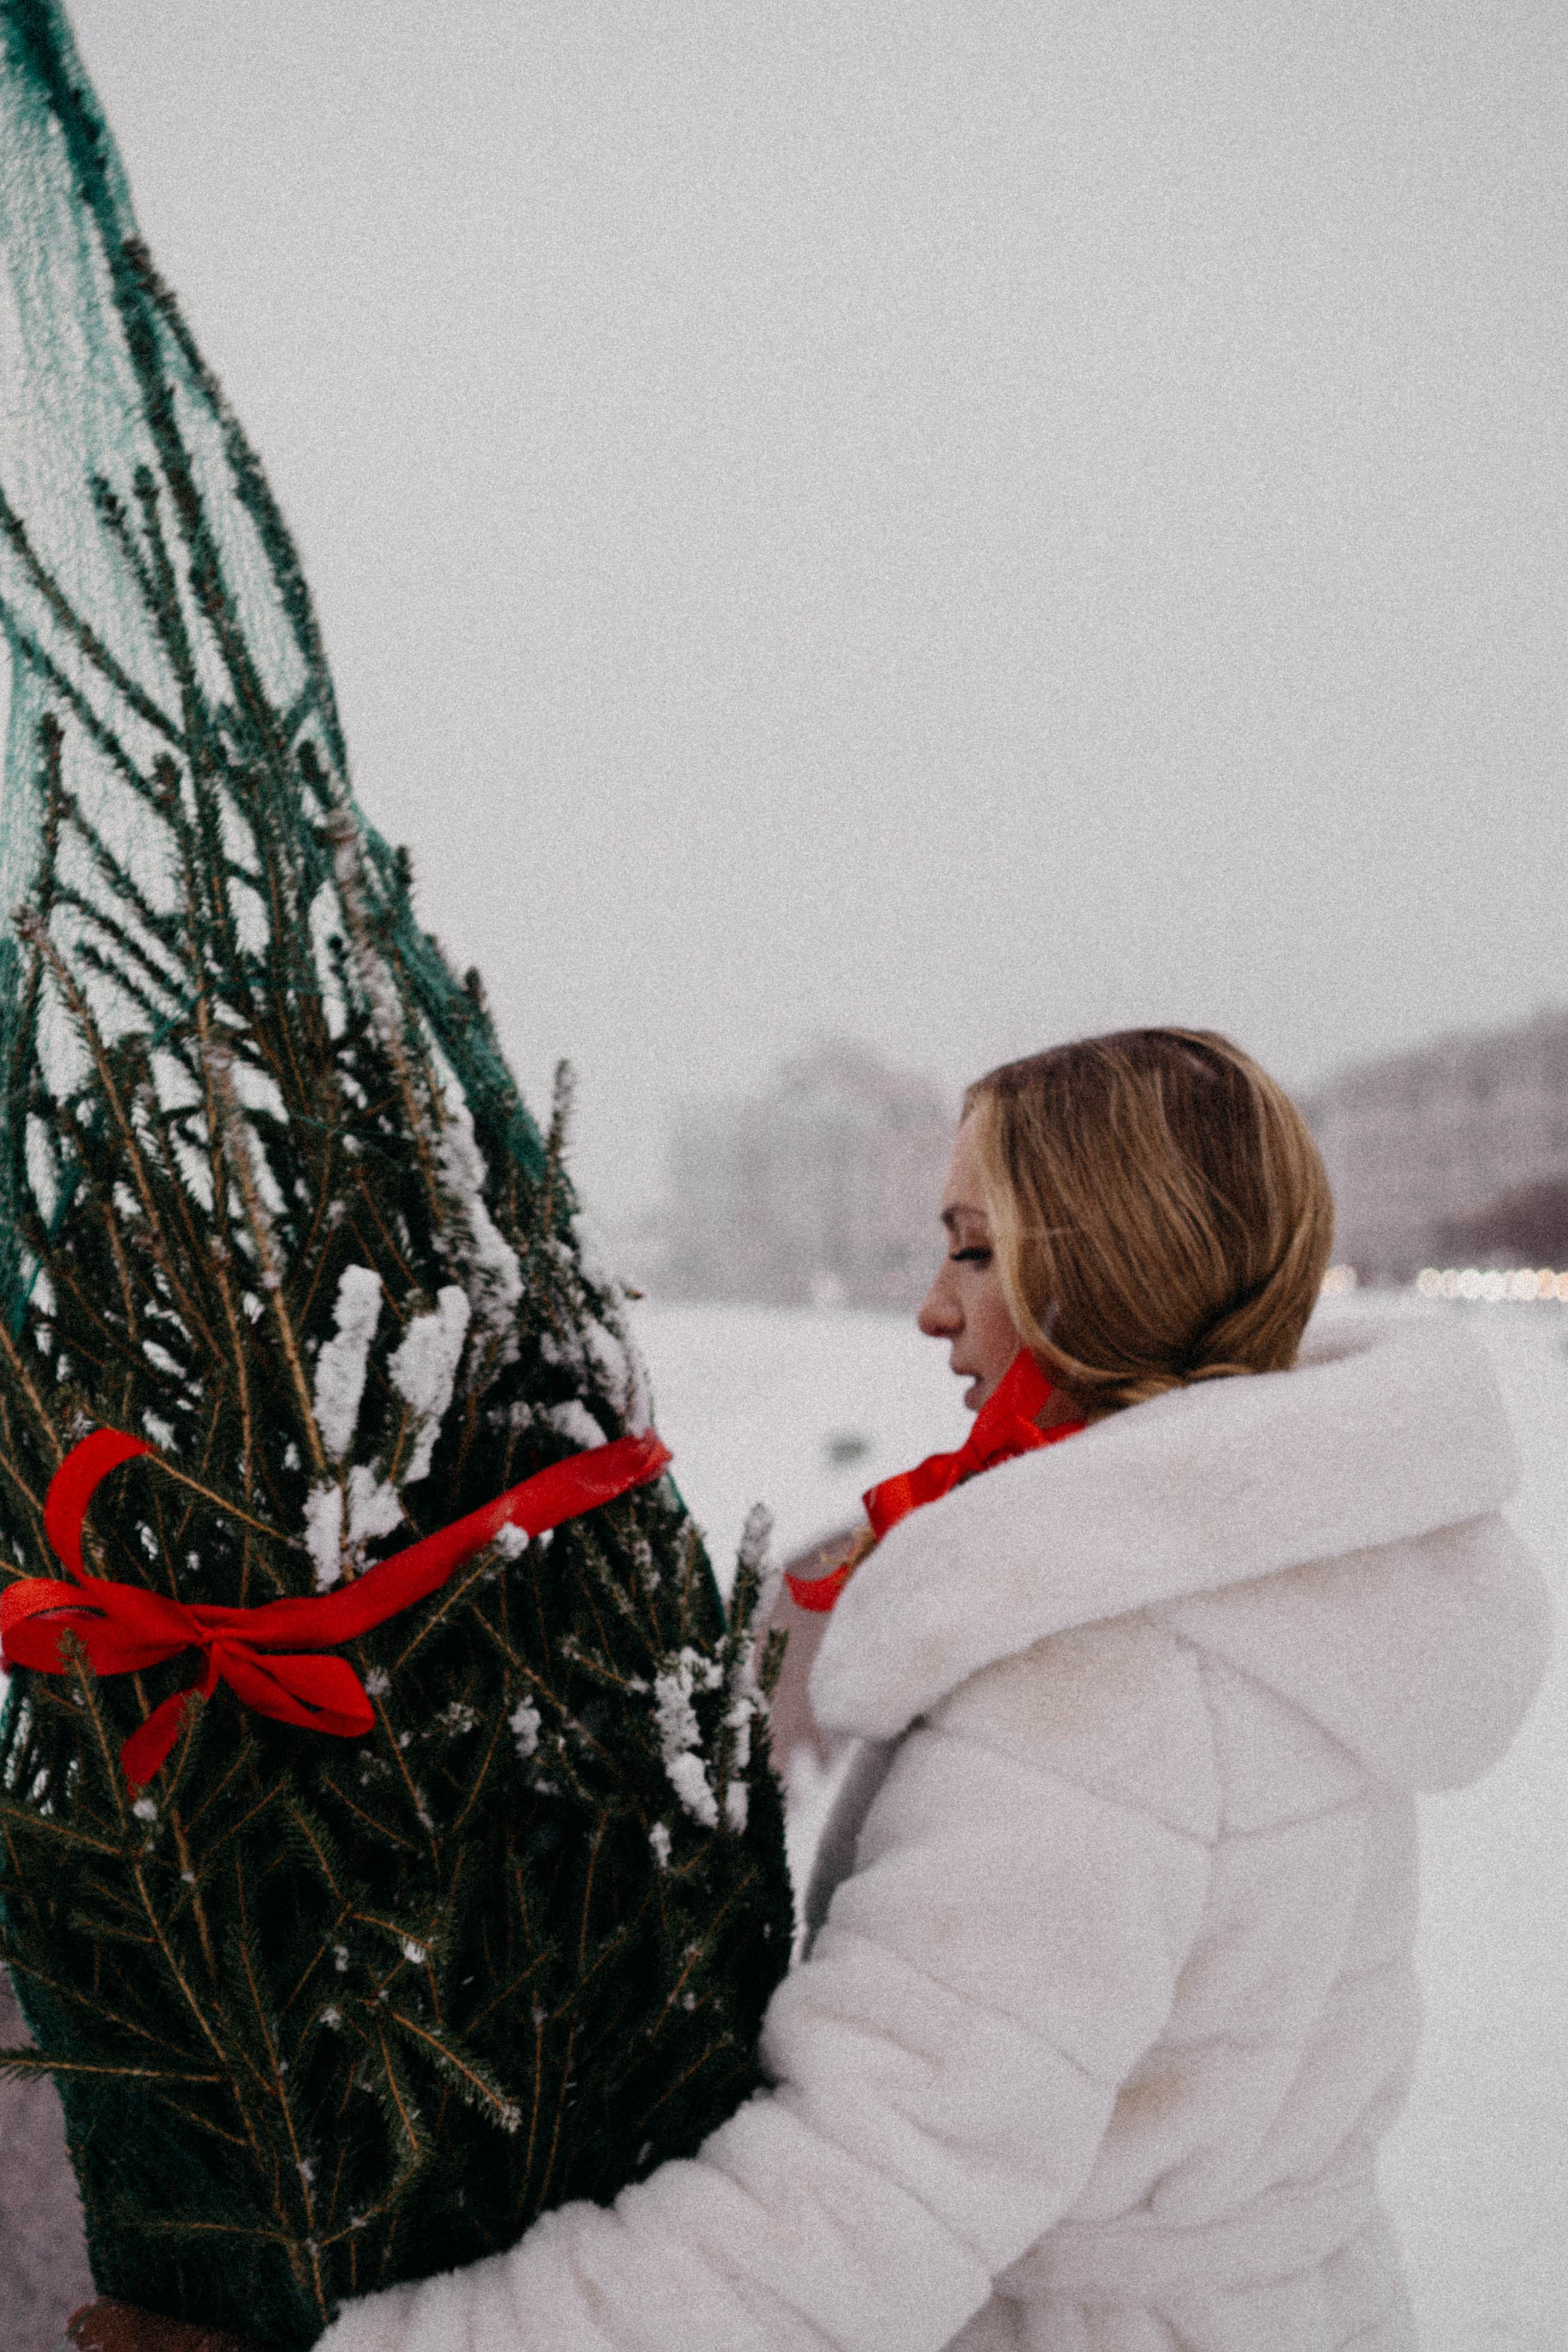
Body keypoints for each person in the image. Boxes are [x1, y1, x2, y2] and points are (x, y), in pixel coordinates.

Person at [318, 1028, 1549, 2352]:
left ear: (1104, 1266)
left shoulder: (1105, 1680)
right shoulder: (1281, 1586)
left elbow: (846, 2214)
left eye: (975, 1250)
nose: (931, 1307)